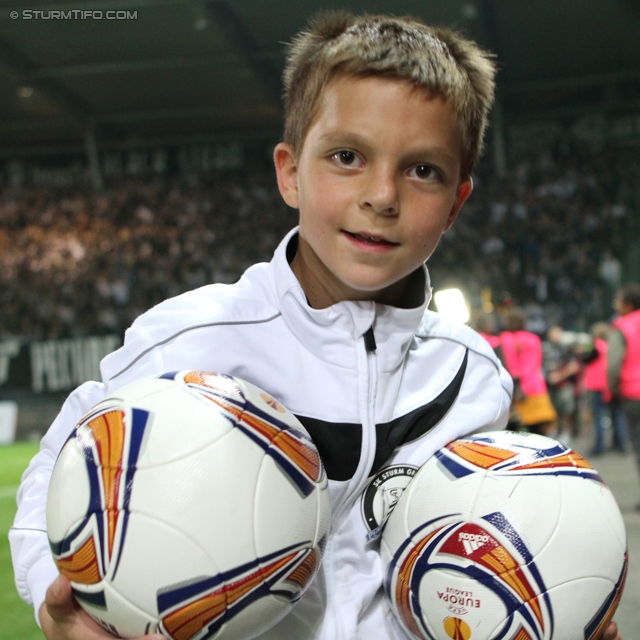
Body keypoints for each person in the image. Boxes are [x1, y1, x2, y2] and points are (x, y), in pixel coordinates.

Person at [9, 12, 622, 640]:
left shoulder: (472, 375)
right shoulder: (191, 338)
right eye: (348, 156)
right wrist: (57, 607)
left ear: (457, 203)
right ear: (289, 172)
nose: (382, 195)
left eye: (423, 170)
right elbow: (58, 468)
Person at [498, 307, 557, 434]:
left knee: (513, 434)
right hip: (537, 389)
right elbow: (538, 363)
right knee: (538, 434)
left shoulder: (505, 338)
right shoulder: (534, 338)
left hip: (516, 392)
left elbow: (509, 364)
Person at [608, 283, 640, 512]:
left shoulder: (621, 327)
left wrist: (613, 389)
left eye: (618, 301)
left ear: (628, 305)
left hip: (633, 395)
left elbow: (612, 365)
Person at [581, 322, 628, 456]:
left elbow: (584, 358)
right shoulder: (610, 347)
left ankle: (599, 446)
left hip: (596, 386)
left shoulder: (596, 346)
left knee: (598, 416)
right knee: (616, 416)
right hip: (610, 385)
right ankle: (621, 443)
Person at [544, 325, 581, 445]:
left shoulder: (565, 348)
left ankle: (566, 433)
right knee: (552, 411)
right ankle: (555, 432)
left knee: (566, 411)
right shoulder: (546, 349)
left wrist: (559, 376)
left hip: (564, 385)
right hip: (549, 386)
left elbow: (573, 366)